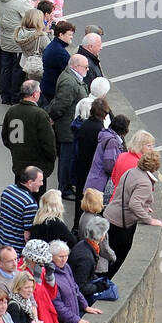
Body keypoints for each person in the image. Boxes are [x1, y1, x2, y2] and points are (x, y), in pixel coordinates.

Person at [104, 146, 162, 276]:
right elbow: (134, 204)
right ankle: (108, 283)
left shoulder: (131, 172)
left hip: (111, 215)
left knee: (108, 254)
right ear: (154, 168)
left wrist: (144, 206)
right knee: (118, 259)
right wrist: (149, 220)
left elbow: (126, 194)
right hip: (122, 223)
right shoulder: (144, 182)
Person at [1, 80, 56, 184]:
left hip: (18, 162)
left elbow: (6, 137)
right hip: (37, 166)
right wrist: (51, 158)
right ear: (35, 94)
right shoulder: (40, 114)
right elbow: (48, 143)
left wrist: (16, 148)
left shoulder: (12, 111)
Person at [49, 53, 89, 196]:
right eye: (85, 67)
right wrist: (52, 117)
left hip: (70, 125)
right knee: (66, 159)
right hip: (67, 127)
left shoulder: (72, 77)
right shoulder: (69, 82)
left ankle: (66, 186)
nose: (87, 69)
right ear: (76, 66)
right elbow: (61, 105)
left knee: (69, 157)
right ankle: (64, 188)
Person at [20, 240, 63, 323]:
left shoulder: (40, 269)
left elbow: (51, 295)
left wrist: (50, 277)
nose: (43, 265)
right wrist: (37, 280)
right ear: (32, 260)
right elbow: (33, 298)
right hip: (36, 318)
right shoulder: (21, 273)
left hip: (48, 316)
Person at [72, 96, 110, 228]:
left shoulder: (84, 126)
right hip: (93, 171)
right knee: (92, 201)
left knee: (80, 199)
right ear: (104, 114)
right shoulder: (101, 131)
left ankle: (77, 226)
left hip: (80, 166)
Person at [0, 0, 34, 103]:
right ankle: (15, 96)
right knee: (17, 70)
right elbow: (31, 17)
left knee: (5, 67)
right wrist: (31, 4)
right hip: (17, 40)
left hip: (4, 37)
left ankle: (4, 95)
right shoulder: (20, 1)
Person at [49, 240, 102, 323]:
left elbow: (75, 288)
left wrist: (85, 306)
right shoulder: (50, 276)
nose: (64, 259)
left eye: (66, 256)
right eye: (61, 256)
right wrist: (76, 320)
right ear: (51, 257)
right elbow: (57, 304)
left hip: (73, 314)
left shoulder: (66, 267)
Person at [0, 165, 44, 251]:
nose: (42, 184)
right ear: (30, 182)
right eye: (40, 181)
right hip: (16, 249)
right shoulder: (30, 204)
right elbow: (27, 234)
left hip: (3, 240)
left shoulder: (8, 190)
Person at [84, 110, 127, 195]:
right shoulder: (112, 142)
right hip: (99, 185)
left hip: (94, 182)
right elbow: (109, 166)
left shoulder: (106, 135)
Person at [41, 18, 74, 104]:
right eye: (69, 34)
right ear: (61, 34)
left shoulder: (54, 45)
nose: (72, 37)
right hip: (53, 89)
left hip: (47, 85)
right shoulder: (60, 52)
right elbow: (70, 71)